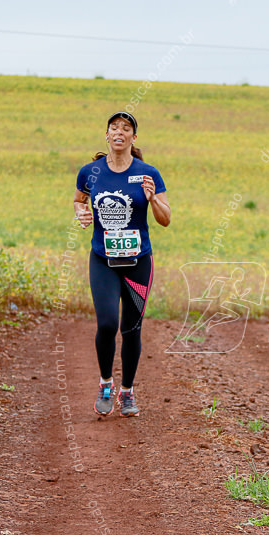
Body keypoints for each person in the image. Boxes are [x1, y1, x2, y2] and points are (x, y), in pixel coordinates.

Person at [73, 112, 170, 417]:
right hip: (103, 259)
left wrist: (153, 199)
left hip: (138, 262)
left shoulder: (148, 173)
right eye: (114, 128)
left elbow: (166, 219)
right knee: (106, 323)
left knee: (131, 328)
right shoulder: (90, 172)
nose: (119, 132)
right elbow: (79, 200)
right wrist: (80, 213)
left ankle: (127, 391)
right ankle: (105, 384)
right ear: (107, 135)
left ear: (133, 137)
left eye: (126, 129)